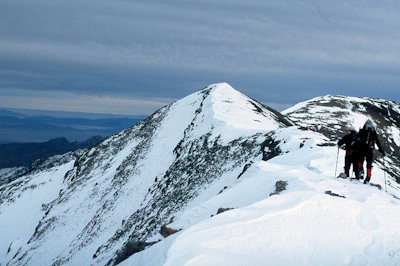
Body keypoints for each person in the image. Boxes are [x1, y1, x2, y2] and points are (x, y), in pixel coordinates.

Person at [352, 120, 385, 184]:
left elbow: (357, 138)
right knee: (369, 164)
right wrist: (381, 151)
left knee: (360, 160)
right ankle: (368, 177)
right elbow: (377, 141)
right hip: (370, 150)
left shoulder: (363, 130)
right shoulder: (373, 132)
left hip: (362, 149)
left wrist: (353, 147)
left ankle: (361, 171)